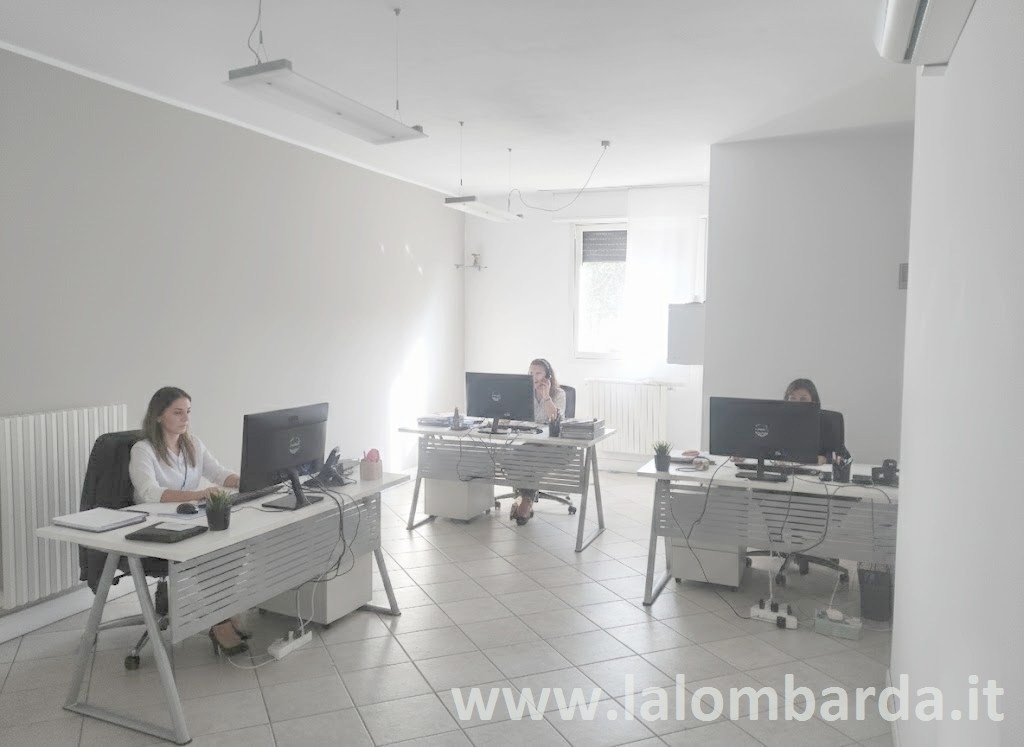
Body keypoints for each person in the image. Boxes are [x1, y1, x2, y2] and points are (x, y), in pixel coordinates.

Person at [128, 386, 248, 655]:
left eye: (188, 412)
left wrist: (247, 479)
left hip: (189, 519)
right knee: (212, 554)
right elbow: (149, 492)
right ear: (159, 416)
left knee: (234, 546)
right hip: (154, 526)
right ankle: (220, 622)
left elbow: (218, 473)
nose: (185, 419)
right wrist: (198, 495)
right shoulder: (143, 450)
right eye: (178, 412)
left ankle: (223, 612)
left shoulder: (192, 444)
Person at [510, 359, 566, 525]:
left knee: (531, 458)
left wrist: (546, 396)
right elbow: (516, 417)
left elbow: (554, 418)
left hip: (551, 442)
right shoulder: (523, 393)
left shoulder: (559, 394)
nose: (533, 377)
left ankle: (525, 500)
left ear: (547, 376)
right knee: (516, 455)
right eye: (530, 373)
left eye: (538, 373)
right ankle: (525, 498)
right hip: (531, 440)